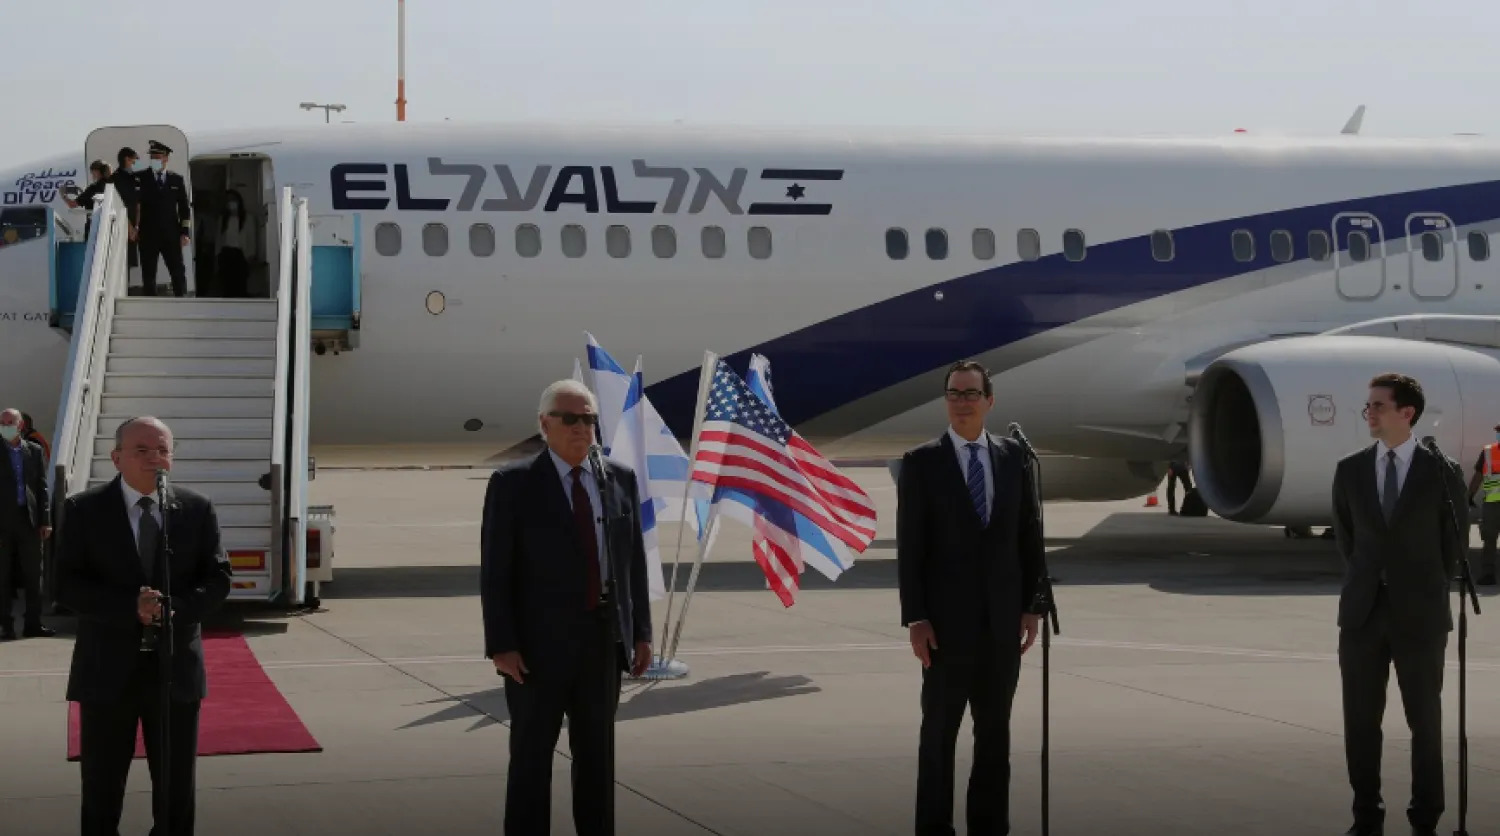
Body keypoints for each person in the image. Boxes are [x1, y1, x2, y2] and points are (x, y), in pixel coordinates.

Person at [480, 379, 653, 836]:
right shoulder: (513, 484)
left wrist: (640, 632)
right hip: (537, 650)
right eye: (570, 419)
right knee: (532, 760)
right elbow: (496, 571)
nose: (582, 428)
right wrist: (502, 643)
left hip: (601, 644)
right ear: (544, 425)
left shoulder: (619, 480)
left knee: (597, 760)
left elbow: (631, 560)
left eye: (589, 419)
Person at [57, 416, 232, 836]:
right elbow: (65, 585)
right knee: (101, 786)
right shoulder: (83, 509)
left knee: (175, 788)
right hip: (107, 669)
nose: (155, 459)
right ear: (117, 458)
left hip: (174, 672)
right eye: (142, 450)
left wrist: (178, 609)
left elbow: (218, 578)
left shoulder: (195, 508)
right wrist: (127, 608)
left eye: (163, 450)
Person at [896, 359, 1047, 836]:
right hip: (944, 628)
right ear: (946, 401)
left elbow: (1029, 535)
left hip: (1002, 625)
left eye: (971, 394)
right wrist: (916, 617)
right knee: (938, 736)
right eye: (954, 394)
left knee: (995, 738)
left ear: (989, 402)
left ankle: (989, 826)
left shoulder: (1013, 459)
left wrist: (1032, 605)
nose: (962, 402)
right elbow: (910, 548)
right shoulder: (922, 463)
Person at [1330, 373, 1466, 836]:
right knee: (1360, 721)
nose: (1369, 412)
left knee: (1425, 720)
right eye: (1367, 405)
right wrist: (1376, 579)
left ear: (1407, 413)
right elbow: (1349, 542)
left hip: (1420, 613)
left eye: (1378, 405)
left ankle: (1425, 816)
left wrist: (1419, 585)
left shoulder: (1441, 471)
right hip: (1363, 613)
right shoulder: (1350, 470)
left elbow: (1452, 544)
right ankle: (1366, 815)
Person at [0, 408, 53, 640]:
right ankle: (6, 625)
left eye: (10, 422)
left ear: (20, 425)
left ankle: (33, 623)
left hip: (29, 520)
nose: (5, 426)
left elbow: (41, 487)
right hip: (2, 522)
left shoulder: (34, 450)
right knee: (2, 575)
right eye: (2, 422)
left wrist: (45, 520)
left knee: (33, 575)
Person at [135, 140, 192, 297]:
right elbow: (132, 204)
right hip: (148, 233)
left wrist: (185, 232)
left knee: (177, 270)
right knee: (148, 273)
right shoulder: (140, 178)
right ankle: (151, 306)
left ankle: (182, 300)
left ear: (166, 158)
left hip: (171, 234)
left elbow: (184, 208)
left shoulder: (176, 179)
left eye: (158, 156)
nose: (154, 159)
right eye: (152, 156)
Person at [1463, 423, 1500, 585]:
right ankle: (1488, 573)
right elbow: (1478, 476)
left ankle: (1488, 572)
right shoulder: (1488, 452)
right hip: (1492, 503)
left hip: (1492, 505)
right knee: (1489, 538)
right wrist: (1469, 495)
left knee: (1489, 539)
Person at [215, 189, 256, 298]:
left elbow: (251, 237)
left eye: (233, 200)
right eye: (228, 201)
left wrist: (251, 255)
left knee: (240, 285)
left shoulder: (248, 218)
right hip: (225, 254)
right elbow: (219, 239)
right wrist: (217, 256)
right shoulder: (223, 219)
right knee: (226, 286)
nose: (230, 203)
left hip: (240, 255)